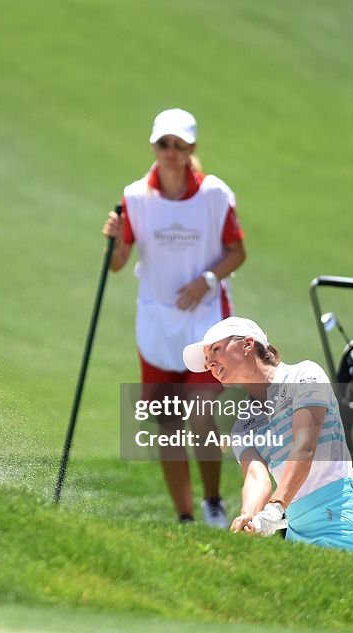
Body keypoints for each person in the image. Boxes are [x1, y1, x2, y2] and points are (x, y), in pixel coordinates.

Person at [102, 108, 246, 527]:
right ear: (153, 146)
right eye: (164, 144)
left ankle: (214, 502)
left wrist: (206, 279)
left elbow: (237, 251)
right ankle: (184, 516)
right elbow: (117, 263)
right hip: (157, 322)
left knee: (199, 412)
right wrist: (113, 239)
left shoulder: (216, 195)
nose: (170, 152)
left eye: (179, 145)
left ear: (191, 149)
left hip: (207, 319)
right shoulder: (135, 197)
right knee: (167, 420)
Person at [182, 317, 353, 554]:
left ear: (247, 344)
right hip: (297, 532)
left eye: (215, 350)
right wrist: (249, 514)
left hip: (344, 523)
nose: (211, 363)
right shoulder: (243, 426)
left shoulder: (305, 375)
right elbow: (257, 478)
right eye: (207, 360)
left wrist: (276, 507)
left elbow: (305, 447)